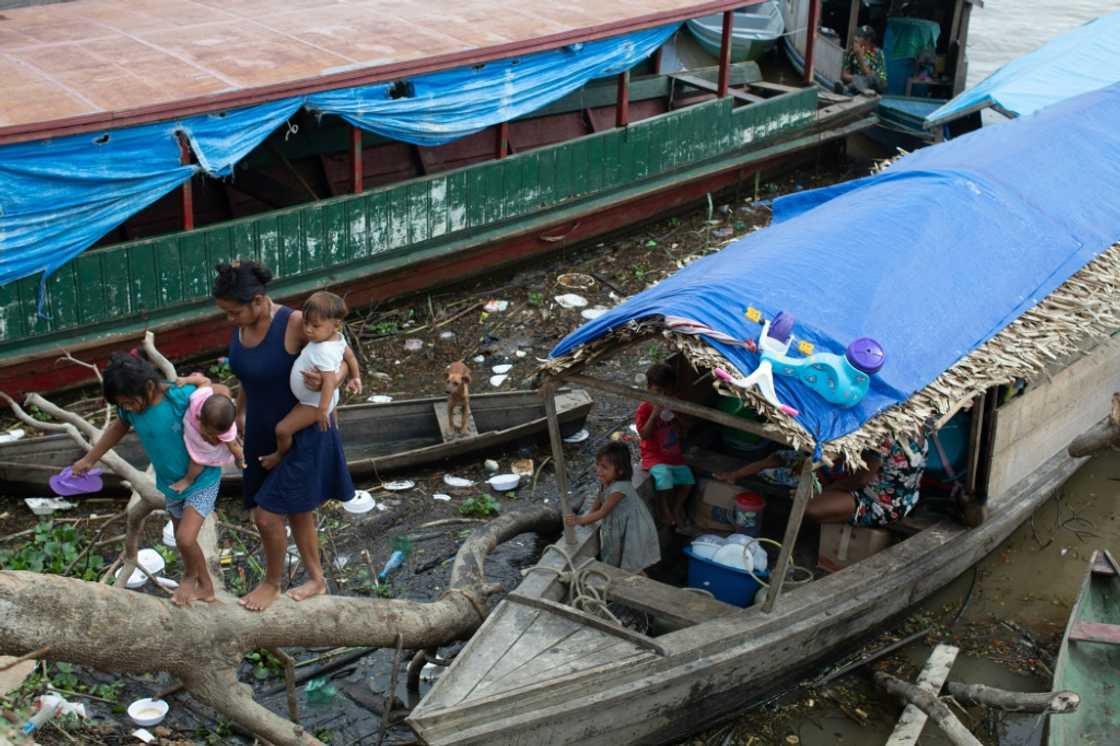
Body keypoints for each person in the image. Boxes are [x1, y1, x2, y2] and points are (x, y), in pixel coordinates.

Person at [213, 261, 361, 612]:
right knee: (298, 508)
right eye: (226, 314)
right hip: (262, 430)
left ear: (259, 300)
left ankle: (272, 583)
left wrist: (335, 380)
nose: (229, 320)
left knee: (267, 516)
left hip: (303, 430)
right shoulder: (241, 326)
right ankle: (317, 579)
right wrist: (240, 409)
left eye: (234, 312)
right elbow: (249, 373)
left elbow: (339, 354)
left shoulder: (295, 322)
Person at [71, 354, 222, 607]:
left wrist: (226, 428)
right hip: (171, 484)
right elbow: (117, 428)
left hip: (201, 479)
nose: (128, 408)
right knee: (181, 536)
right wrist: (89, 459)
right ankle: (205, 585)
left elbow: (219, 392)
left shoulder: (178, 397)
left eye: (130, 402)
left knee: (184, 538)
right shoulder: (130, 410)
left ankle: (191, 578)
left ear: (149, 387)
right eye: (123, 405)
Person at [259, 291, 353, 470]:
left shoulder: (324, 350)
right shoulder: (336, 340)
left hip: (314, 403)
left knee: (282, 430)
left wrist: (323, 410)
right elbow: (350, 358)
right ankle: (334, 431)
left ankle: (280, 455)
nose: (308, 329)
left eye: (315, 326)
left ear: (336, 324)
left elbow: (329, 380)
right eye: (305, 323)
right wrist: (355, 376)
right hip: (315, 400)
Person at [565, 442, 660, 574]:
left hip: (633, 527)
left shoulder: (619, 489)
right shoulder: (607, 480)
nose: (598, 470)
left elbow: (603, 512)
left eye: (604, 467)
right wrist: (589, 516)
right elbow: (599, 498)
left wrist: (579, 520)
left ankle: (640, 585)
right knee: (618, 557)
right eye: (597, 464)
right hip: (621, 524)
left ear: (620, 471)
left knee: (632, 564)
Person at [804, 436, 928, 527]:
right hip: (908, 501)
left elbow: (860, 480)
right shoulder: (921, 431)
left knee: (808, 507)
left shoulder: (884, 439)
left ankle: (839, 519)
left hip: (880, 506)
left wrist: (829, 491)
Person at [636, 363, 694, 527]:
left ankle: (676, 507)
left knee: (688, 481)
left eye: (667, 392)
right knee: (665, 478)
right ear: (649, 388)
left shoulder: (674, 405)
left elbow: (685, 429)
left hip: (673, 455)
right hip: (653, 455)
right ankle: (664, 509)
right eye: (658, 392)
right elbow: (644, 435)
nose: (663, 396)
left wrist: (676, 418)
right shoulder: (645, 408)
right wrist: (654, 415)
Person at [170, 373, 244, 494]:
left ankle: (188, 480)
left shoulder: (226, 428)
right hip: (192, 427)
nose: (213, 436)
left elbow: (234, 446)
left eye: (217, 434)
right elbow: (205, 381)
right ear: (201, 419)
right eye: (211, 432)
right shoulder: (198, 399)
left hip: (204, 446)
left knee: (198, 461)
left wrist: (240, 459)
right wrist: (186, 380)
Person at [840, 26, 887, 95]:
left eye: (859, 36)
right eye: (857, 35)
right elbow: (844, 75)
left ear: (868, 40)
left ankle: (848, 88)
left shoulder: (878, 53)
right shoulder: (852, 51)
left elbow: (870, 76)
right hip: (859, 85)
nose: (856, 37)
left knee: (870, 78)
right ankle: (854, 88)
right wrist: (856, 79)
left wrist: (860, 57)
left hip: (878, 83)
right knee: (861, 79)